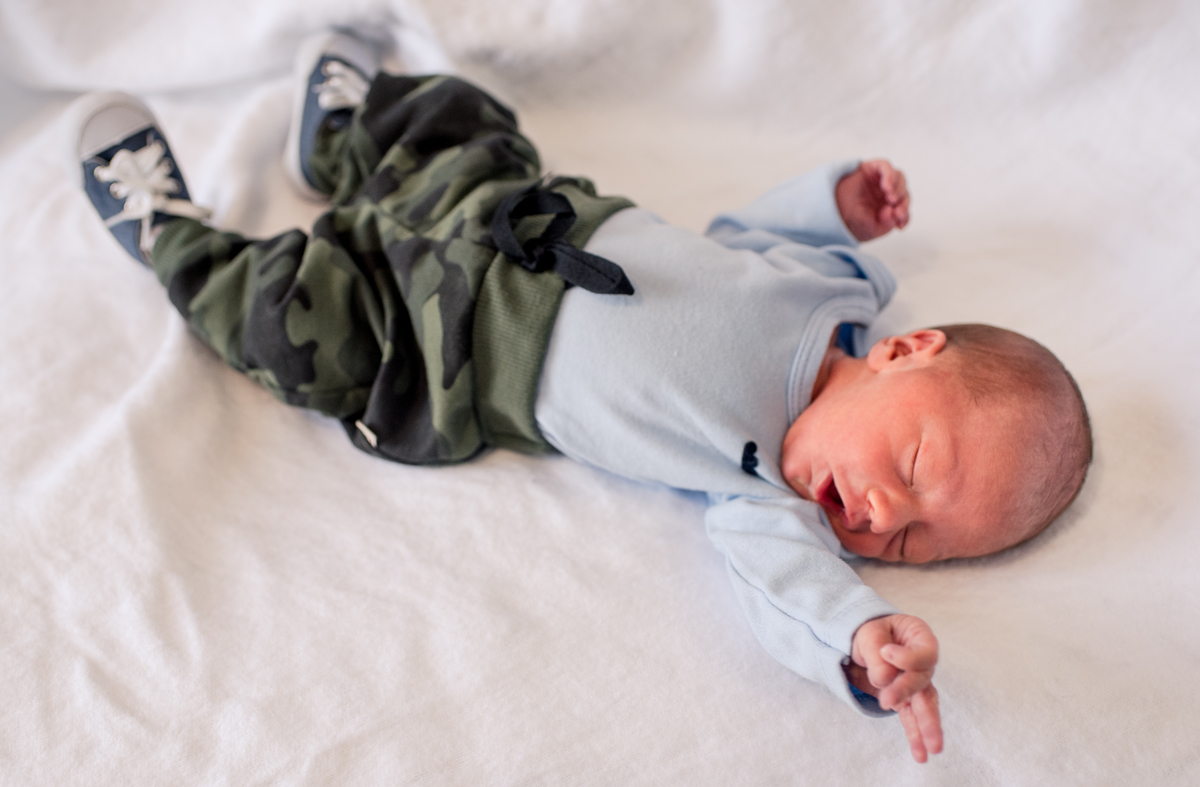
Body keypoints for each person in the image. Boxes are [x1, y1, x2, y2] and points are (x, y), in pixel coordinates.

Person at [67, 29, 1092, 764]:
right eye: (912, 467)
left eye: (908, 542)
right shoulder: (827, 289)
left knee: (289, 329)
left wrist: (861, 640)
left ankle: (174, 237)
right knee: (460, 119)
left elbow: (791, 590)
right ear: (905, 350)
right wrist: (838, 203)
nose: (876, 514)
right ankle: (342, 132)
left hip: (442, 342)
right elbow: (744, 236)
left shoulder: (766, 498)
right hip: (507, 209)